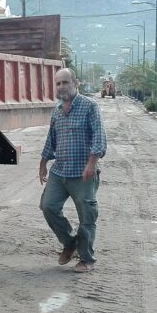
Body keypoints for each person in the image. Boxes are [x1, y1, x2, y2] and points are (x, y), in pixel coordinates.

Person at [39, 68, 107, 273]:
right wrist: (43, 163)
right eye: (58, 83)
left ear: (75, 83)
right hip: (60, 171)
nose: (62, 87)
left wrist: (92, 163)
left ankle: (86, 259)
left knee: (87, 216)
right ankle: (69, 243)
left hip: (83, 173)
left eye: (65, 82)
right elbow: (52, 138)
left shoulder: (89, 106)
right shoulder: (57, 109)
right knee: (48, 206)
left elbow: (99, 138)